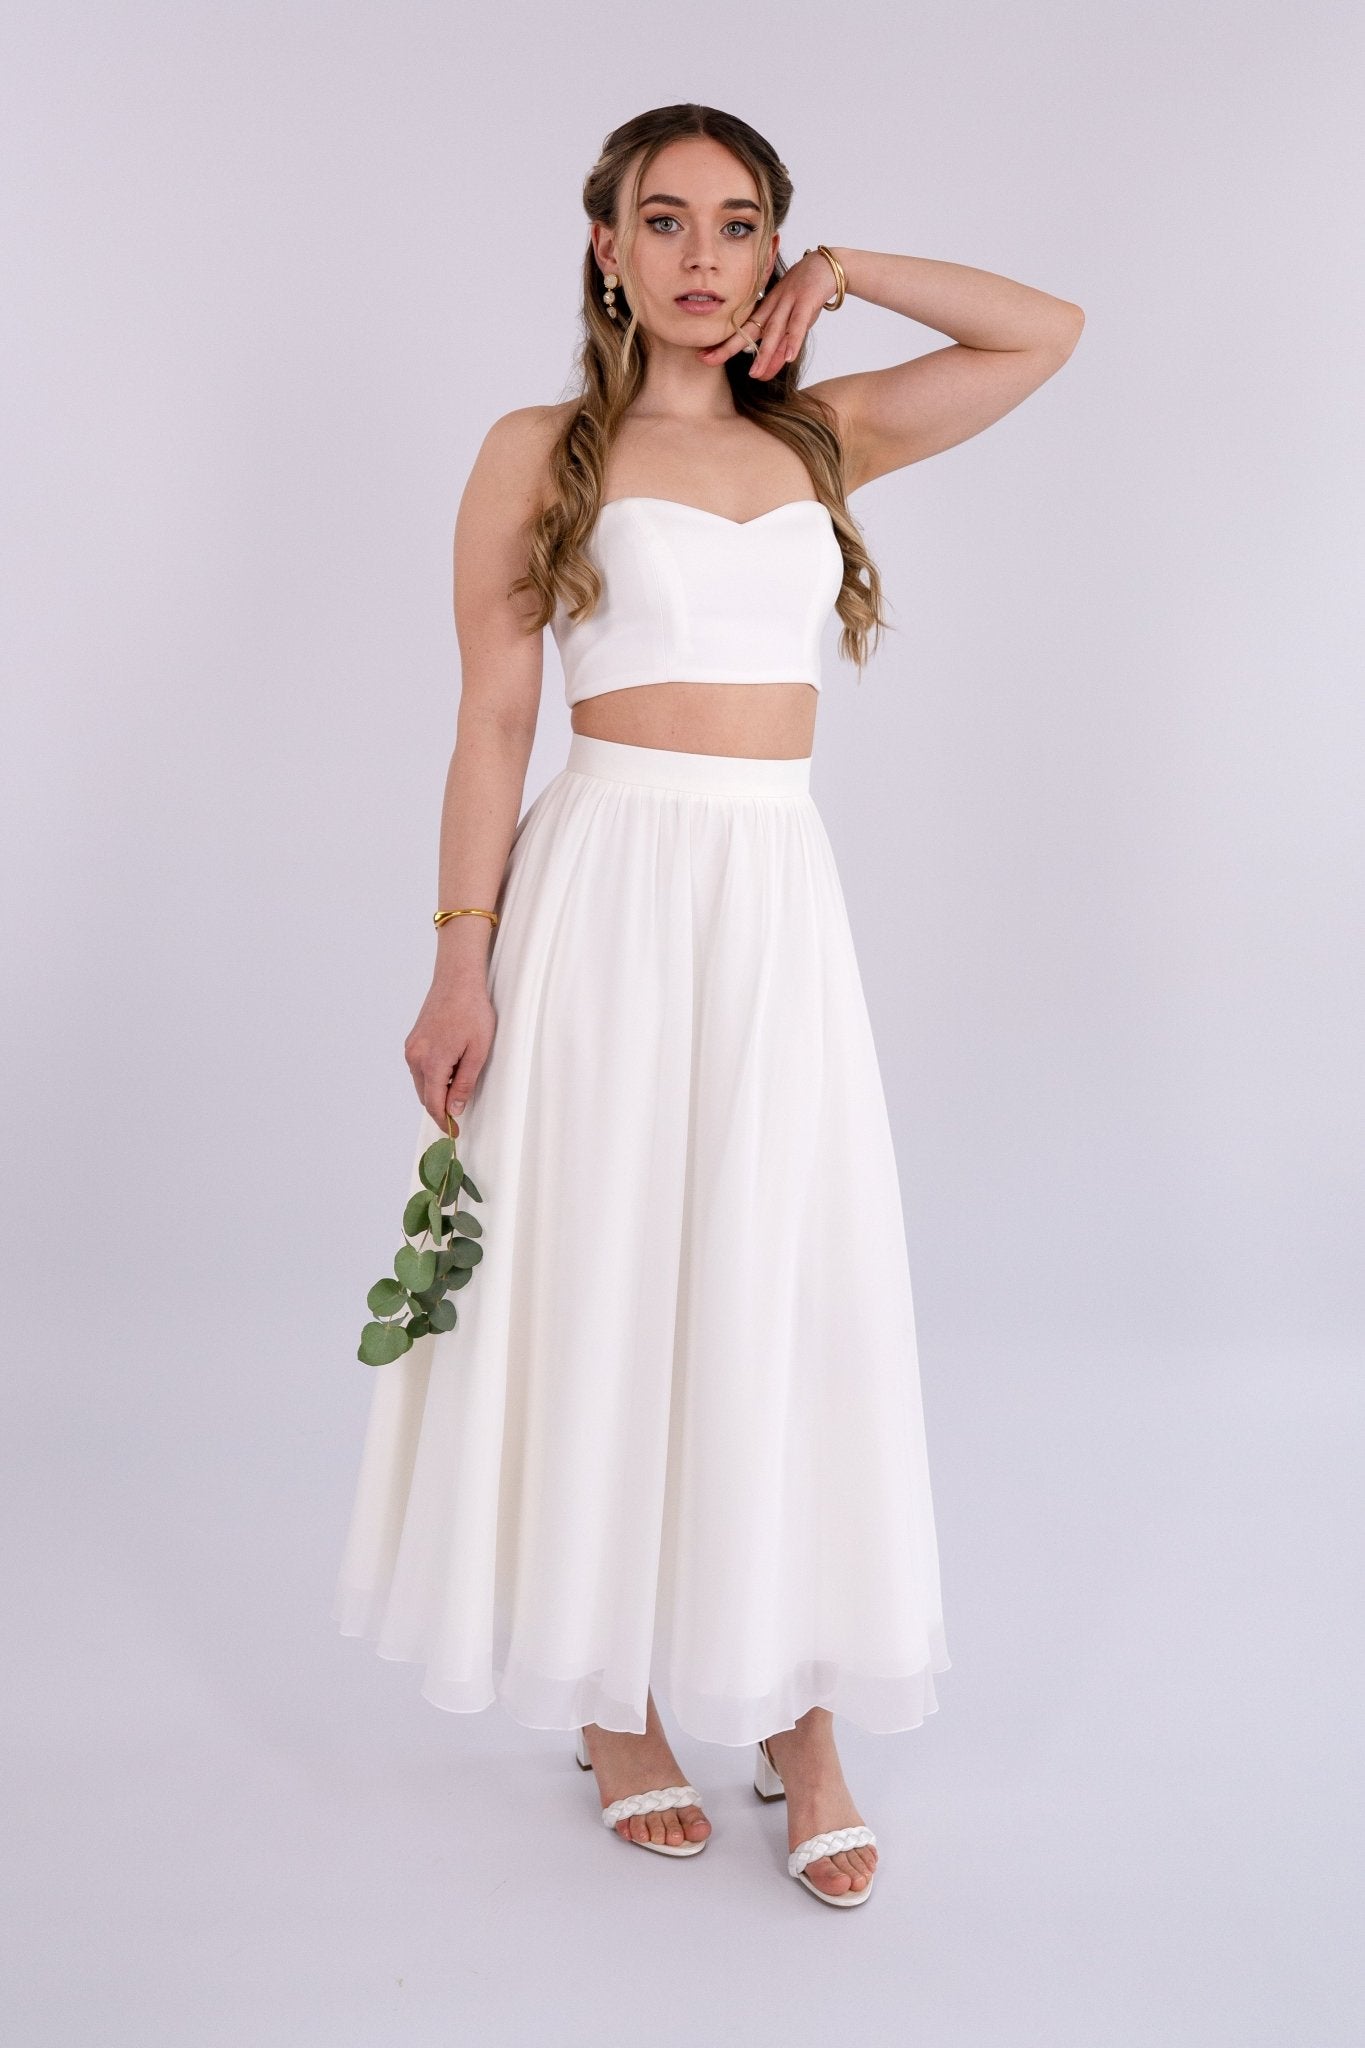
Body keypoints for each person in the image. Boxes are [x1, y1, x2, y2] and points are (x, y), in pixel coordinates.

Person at [333, 102, 1083, 1907]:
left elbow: (1042, 333)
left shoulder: (821, 434)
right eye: (660, 220)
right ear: (604, 247)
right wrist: (458, 953)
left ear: (770, 253)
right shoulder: (543, 451)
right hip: (602, 889)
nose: (697, 255)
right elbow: (492, 721)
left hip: (771, 896)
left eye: (737, 224)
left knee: (783, 1278)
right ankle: (617, 1699)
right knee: (608, 1273)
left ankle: (801, 1716)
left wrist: (852, 273)